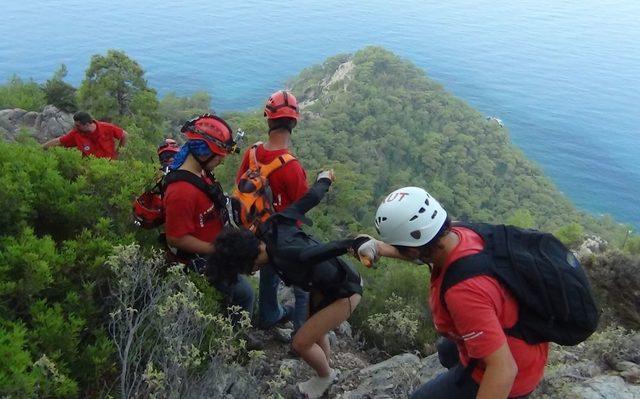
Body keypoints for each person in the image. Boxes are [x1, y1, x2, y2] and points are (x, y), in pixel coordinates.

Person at [358, 187, 549, 399]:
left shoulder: (463, 292)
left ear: (412, 249)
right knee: (447, 351)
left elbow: (503, 370)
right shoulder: (459, 233)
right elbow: (424, 251)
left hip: (514, 373)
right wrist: (380, 248)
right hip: (521, 337)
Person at [208, 171, 365, 399]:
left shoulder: (281, 252)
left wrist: (350, 244)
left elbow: (310, 253)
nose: (251, 272)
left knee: (301, 342)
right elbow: (307, 200)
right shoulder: (273, 226)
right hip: (326, 286)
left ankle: (325, 376)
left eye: (246, 269)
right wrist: (325, 180)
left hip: (345, 291)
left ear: (249, 262)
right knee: (315, 331)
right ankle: (326, 369)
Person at [164, 114, 253, 316]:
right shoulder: (181, 192)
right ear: (204, 153)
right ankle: (235, 340)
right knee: (244, 295)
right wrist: (216, 250)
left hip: (212, 252)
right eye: (219, 156)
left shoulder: (200, 174)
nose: (221, 161)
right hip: (199, 261)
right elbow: (176, 237)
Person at [236, 90, 309, 333]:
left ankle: (269, 314)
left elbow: (240, 187)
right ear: (294, 123)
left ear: (268, 120)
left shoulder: (252, 153)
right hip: (280, 237)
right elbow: (302, 206)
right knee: (303, 283)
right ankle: (302, 339)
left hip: (254, 230)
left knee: (270, 274)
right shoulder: (292, 167)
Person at [42, 111, 127, 159]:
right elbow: (58, 141)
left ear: (86, 124)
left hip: (111, 166)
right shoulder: (76, 134)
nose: (75, 127)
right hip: (90, 170)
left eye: (78, 125)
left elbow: (124, 135)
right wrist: (41, 148)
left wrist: (118, 153)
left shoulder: (107, 128)